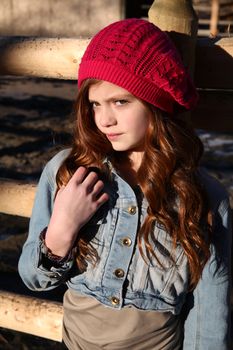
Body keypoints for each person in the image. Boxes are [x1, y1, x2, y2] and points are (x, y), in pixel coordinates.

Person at [18, 18, 231, 350]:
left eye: (120, 101)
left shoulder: (202, 196)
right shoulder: (69, 172)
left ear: (156, 101)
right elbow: (34, 280)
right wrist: (61, 230)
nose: (104, 120)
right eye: (95, 104)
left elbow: (209, 314)